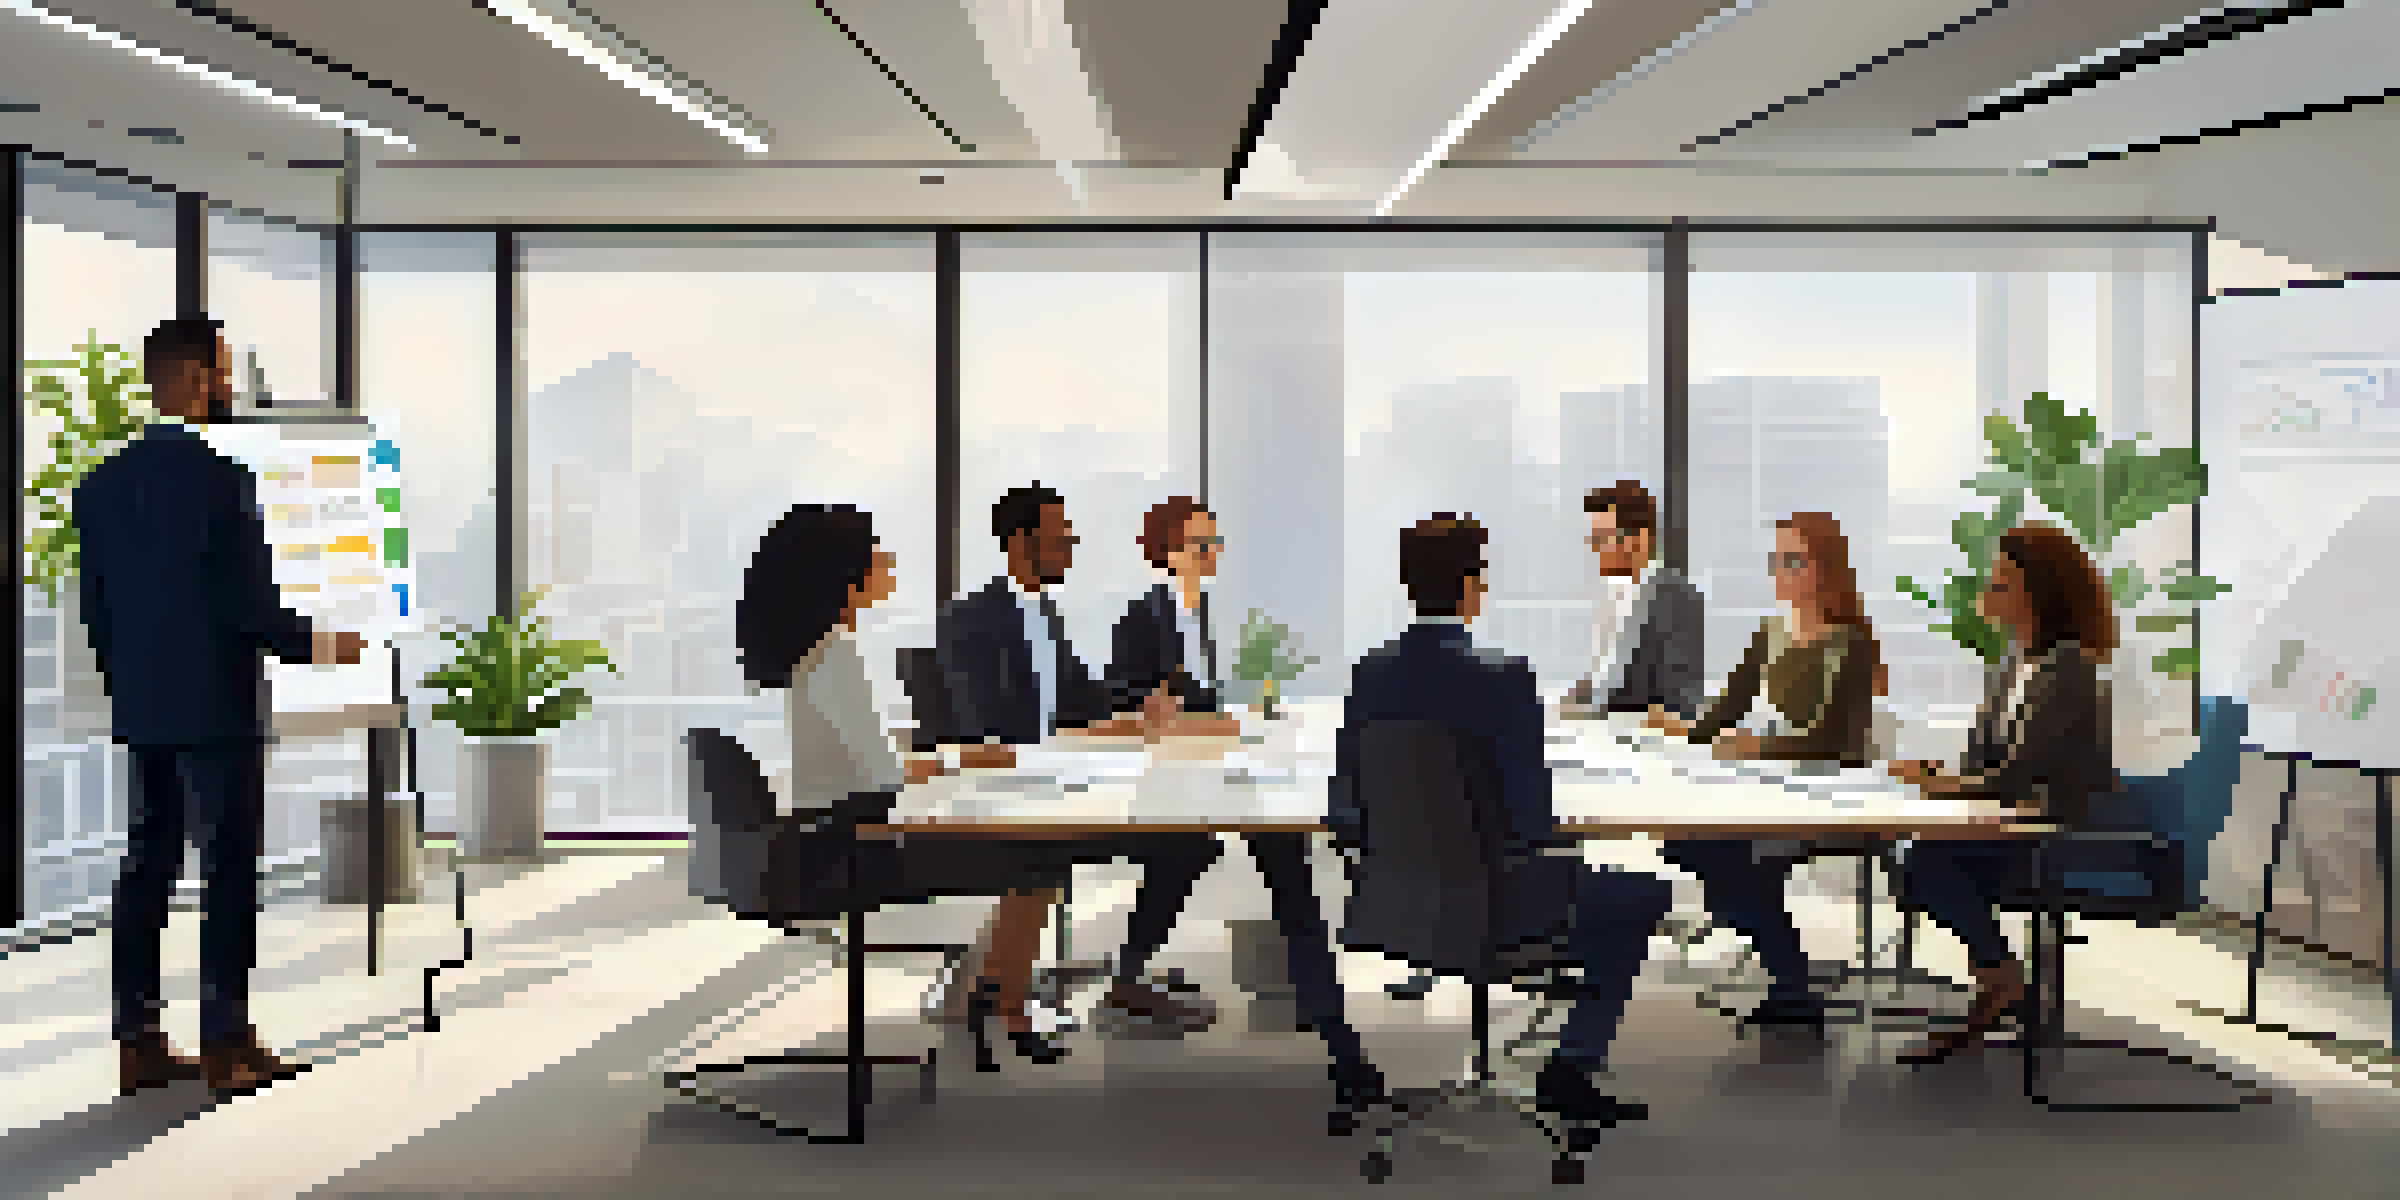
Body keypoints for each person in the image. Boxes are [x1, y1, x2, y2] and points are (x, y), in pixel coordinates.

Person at [75, 316, 366, 1097]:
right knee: (228, 872)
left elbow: (95, 613)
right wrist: (325, 647)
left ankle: (137, 1038)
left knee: (147, 866)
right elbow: (248, 607)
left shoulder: (99, 488)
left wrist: (130, 689)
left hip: (144, 709)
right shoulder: (221, 480)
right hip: (216, 710)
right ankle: (225, 1044)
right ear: (199, 379)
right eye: (225, 373)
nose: (231, 388)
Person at [1332, 515, 1672, 1126]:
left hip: (1397, 902)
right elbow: (1532, 824)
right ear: (1471, 587)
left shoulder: (1369, 675)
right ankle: (1571, 1067)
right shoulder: (1505, 680)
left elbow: (1344, 812)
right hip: (1494, 904)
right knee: (1640, 893)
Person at [1108, 496, 1386, 1122]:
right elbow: (1126, 700)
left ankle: (1339, 1040)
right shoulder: (1143, 616)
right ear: (1167, 551)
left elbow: (1199, 700)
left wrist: (1236, 722)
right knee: (1192, 856)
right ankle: (1129, 974)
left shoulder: (1197, 613)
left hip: (1225, 773)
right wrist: (1157, 713)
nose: (1214, 556)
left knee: (1291, 877)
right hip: (1178, 782)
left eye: (1217, 543)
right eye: (1202, 546)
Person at [933, 483, 1223, 1033]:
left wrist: (1140, 712)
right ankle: (1005, 997)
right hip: (1019, 798)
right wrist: (1079, 745)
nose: (1070, 547)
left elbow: (1082, 697)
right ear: (1021, 543)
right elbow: (988, 726)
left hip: (1065, 788)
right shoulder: (971, 620)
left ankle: (1127, 978)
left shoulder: (1045, 615)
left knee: (1190, 840)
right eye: (1059, 537)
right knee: (1162, 843)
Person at [1887, 522, 2122, 1065]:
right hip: (2011, 819)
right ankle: (2000, 977)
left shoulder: (2070, 669)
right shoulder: (2012, 666)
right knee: (1918, 857)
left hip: (2055, 831)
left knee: (1926, 860)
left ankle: (1999, 977)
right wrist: (1944, 777)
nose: (1986, 592)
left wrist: (1944, 787)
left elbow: (2020, 775)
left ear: (2035, 592)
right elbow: (1985, 762)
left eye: (1998, 583)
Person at [1648, 512, 1887, 1032]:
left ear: (1825, 568)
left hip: (1827, 793)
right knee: (1688, 844)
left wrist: (1758, 749)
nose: (1781, 571)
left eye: (1794, 560)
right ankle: (1789, 977)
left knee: (1733, 863)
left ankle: (1792, 985)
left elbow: (1835, 742)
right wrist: (1681, 731)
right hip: (1774, 787)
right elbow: (1726, 709)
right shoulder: (1771, 631)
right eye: (1777, 560)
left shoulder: (1848, 644)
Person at [1566, 482, 1705, 718]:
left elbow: (1681, 699)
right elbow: (1612, 677)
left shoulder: (1677, 599)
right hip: (1600, 730)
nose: (1595, 549)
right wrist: (1582, 697)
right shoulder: (1610, 596)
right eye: (1593, 539)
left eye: (1603, 539)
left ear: (1638, 539)